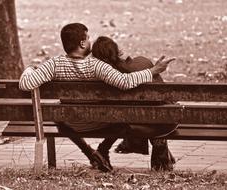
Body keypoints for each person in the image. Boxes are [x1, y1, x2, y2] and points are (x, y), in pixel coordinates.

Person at [19, 23, 175, 172]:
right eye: (88, 38)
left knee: (58, 114)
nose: (90, 41)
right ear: (82, 43)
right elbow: (125, 82)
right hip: (98, 121)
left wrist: (29, 70)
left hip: (70, 122)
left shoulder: (53, 64)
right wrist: (153, 71)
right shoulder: (96, 66)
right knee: (122, 115)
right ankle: (105, 150)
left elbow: (26, 84)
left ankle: (92, 153)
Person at [91, 36, 176, 171]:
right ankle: (161, 160)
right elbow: (164, 99)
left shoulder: (105, 75)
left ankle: (104, 149)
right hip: (159, 121)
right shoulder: (142, 63)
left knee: (130, 115)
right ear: (117, 52)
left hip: (125, 121)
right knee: (154, 113)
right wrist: (154, 69)